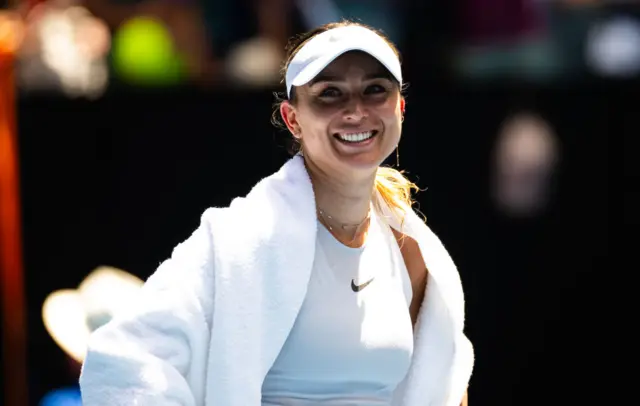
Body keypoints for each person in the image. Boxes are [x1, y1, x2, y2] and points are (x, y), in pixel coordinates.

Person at [79, 20, 474, 406]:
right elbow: (122, 363)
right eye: (329, 93)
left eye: (375, 90)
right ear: (292, 119)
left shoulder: (411, 252)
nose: (356, 110)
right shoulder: (237, 239)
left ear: (400, 107)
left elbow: (443, 380)